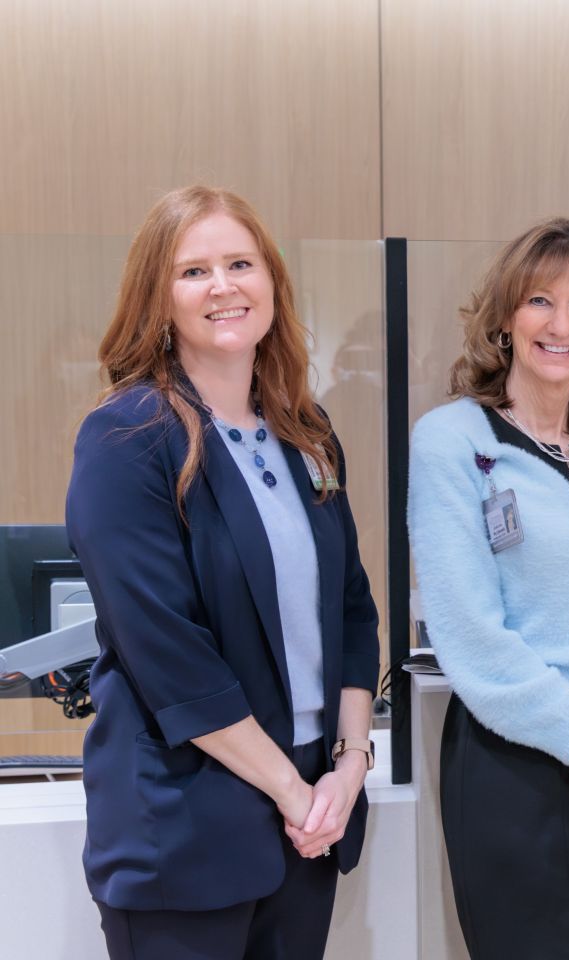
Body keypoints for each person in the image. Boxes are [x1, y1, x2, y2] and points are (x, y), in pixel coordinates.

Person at [64, 186, 381, 959]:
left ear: (271, 279)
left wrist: (349, 767)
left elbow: (351, 608)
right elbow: (169, 656)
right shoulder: (127, 438)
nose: (223, 286)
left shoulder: (306, 433)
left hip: (310, 817)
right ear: (159, 298)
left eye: (240, 264)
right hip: (186, 831)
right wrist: (294, 792)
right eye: (193, 271)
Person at [407, 217, 569, 960]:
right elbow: (469, 632)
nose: (562, 325)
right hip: (517, 758)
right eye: (539, 301)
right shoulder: (452, 439)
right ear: (504, 317)